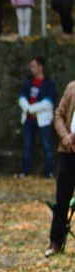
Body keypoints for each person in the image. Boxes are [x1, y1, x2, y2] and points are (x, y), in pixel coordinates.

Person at [46, 79, 75, 257]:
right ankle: (56, 242)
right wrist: (65, 137)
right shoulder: (71, 87)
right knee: (62, 198)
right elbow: (58, 115)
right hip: (67, 152)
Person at [17, 57, 55, 178]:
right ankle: (25, 171)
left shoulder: (48, 83)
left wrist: (32, 109)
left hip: (43, 120)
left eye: (33, 66)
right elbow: (22, 97)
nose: (31, 69)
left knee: (47, 145)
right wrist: (27, 108)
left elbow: (48, 102)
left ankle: (48, 171)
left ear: (40, 67)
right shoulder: (28, 81)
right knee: (27, 146)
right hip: (29, 119)